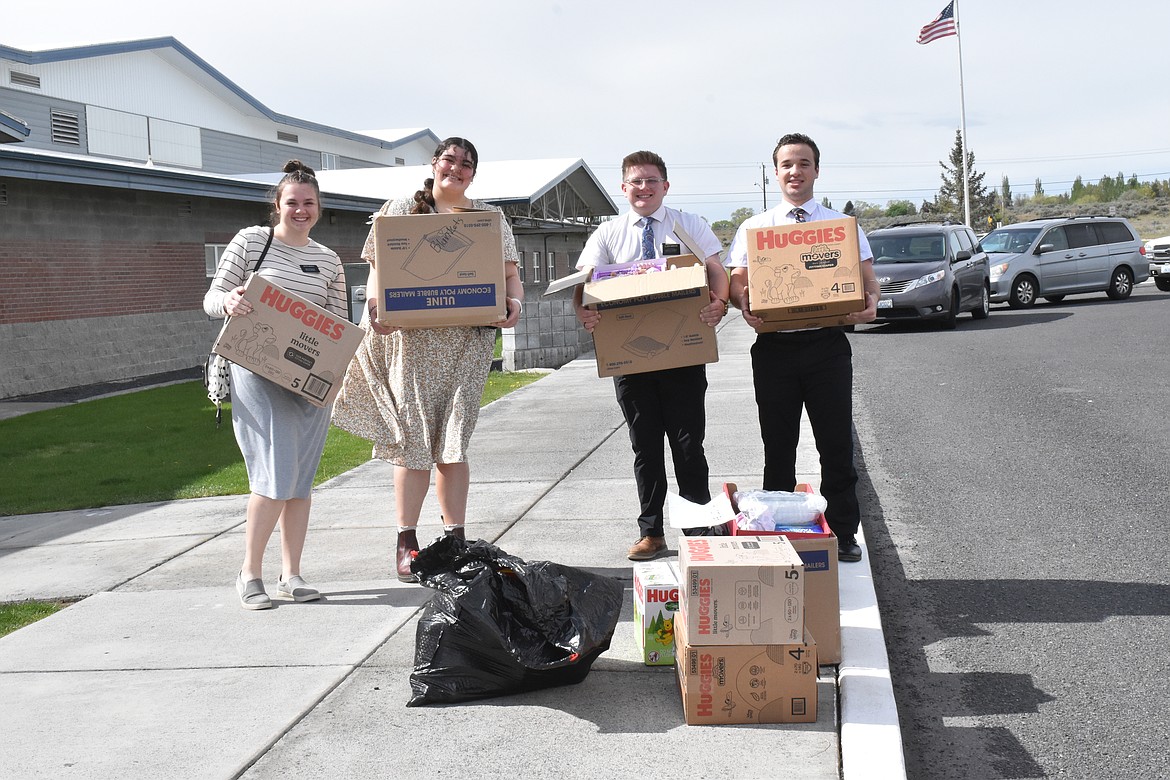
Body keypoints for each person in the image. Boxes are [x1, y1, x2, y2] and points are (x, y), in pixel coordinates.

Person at [331, 137, 523, 582]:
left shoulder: (487, 219)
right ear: (434, 164)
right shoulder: (399, 209)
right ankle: (407, 541)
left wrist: (515, 304)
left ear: (473, 173)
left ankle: (454, 540)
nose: (456, 169)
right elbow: (378, 271)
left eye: (466, 164)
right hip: (411, 346)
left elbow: (511, 276)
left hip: (465, 346)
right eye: (449, 160)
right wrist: (376, 307)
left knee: (453, 441)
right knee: (414, 442)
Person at [724, 133, 879, 563]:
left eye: (804, 163)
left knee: (835, 445)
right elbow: (739, 283)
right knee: (778, 447)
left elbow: (868, 280)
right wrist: (745, 306)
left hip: (827, 347)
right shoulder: (755, 229)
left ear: (816, 170)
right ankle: (780, 531)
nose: (796, 172)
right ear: (776, 173)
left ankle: (845, 532)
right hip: (774, 349)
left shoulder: (840, 226)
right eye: (787, 164)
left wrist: (870, 304)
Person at [574, 150, 730, 561]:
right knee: (645, 447)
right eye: (636, 182)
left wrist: (721, 301)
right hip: (632, 362)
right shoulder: (607, 234)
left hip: (682, 356)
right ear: (623, 188)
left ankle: (697, 528)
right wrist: (583, 311)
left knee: (688, 443)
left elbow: (716, 268)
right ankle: (652, 533)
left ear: (666, 185)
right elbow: (584, 280)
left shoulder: (688, 224)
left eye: (651, 181)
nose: (644, 188)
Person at [204, 160, 347, 609]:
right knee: (272, 472)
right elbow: (211, 298)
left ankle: (292, 574)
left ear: (318, 207)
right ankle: (249, 573)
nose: (300, 210)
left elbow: (339, 326)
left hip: (309, 383)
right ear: (277, 206)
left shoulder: (329, 260)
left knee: (300, 480)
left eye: (308, 203)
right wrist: (228, 301)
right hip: (256, 372)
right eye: (292, 203)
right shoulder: (251, 242)